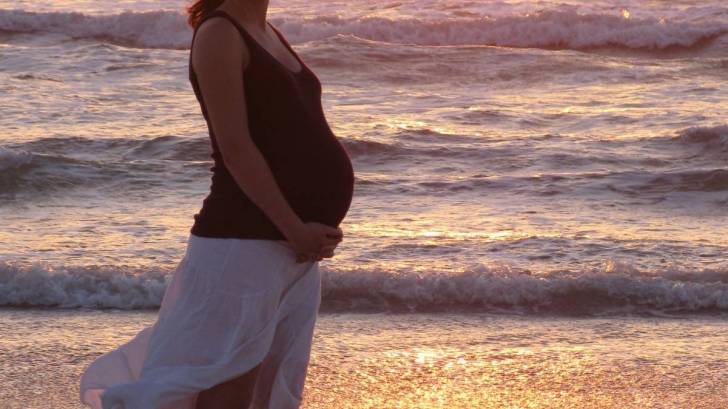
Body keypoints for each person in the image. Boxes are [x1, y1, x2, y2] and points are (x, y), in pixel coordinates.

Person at [78, 0, 355, 407]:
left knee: (264, 388)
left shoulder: (265, 29)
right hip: (242, 244)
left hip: (287, 251)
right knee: (228, 386)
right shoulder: (220, 34)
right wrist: (294, 228)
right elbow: (236, 149)